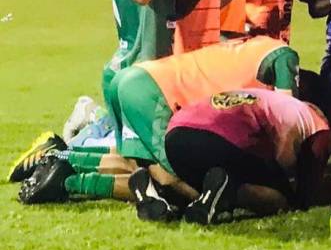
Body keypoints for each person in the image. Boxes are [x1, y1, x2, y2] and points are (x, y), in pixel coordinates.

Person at [25, 37, 298, 208]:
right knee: (176, 183)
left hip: (135, 79)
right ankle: (70, 182)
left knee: (136, 164)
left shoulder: (250, 49)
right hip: (154, 91)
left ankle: (61, 158)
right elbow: (288, 118)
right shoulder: (283, 56)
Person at [159, 88, 331, 224]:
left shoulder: (268, 98)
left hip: (175, 135)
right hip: (220, 138)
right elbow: (288, 162)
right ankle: (227, 189)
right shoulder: (317, 124)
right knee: (281, 197)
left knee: (215, 176)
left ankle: (194, 198)